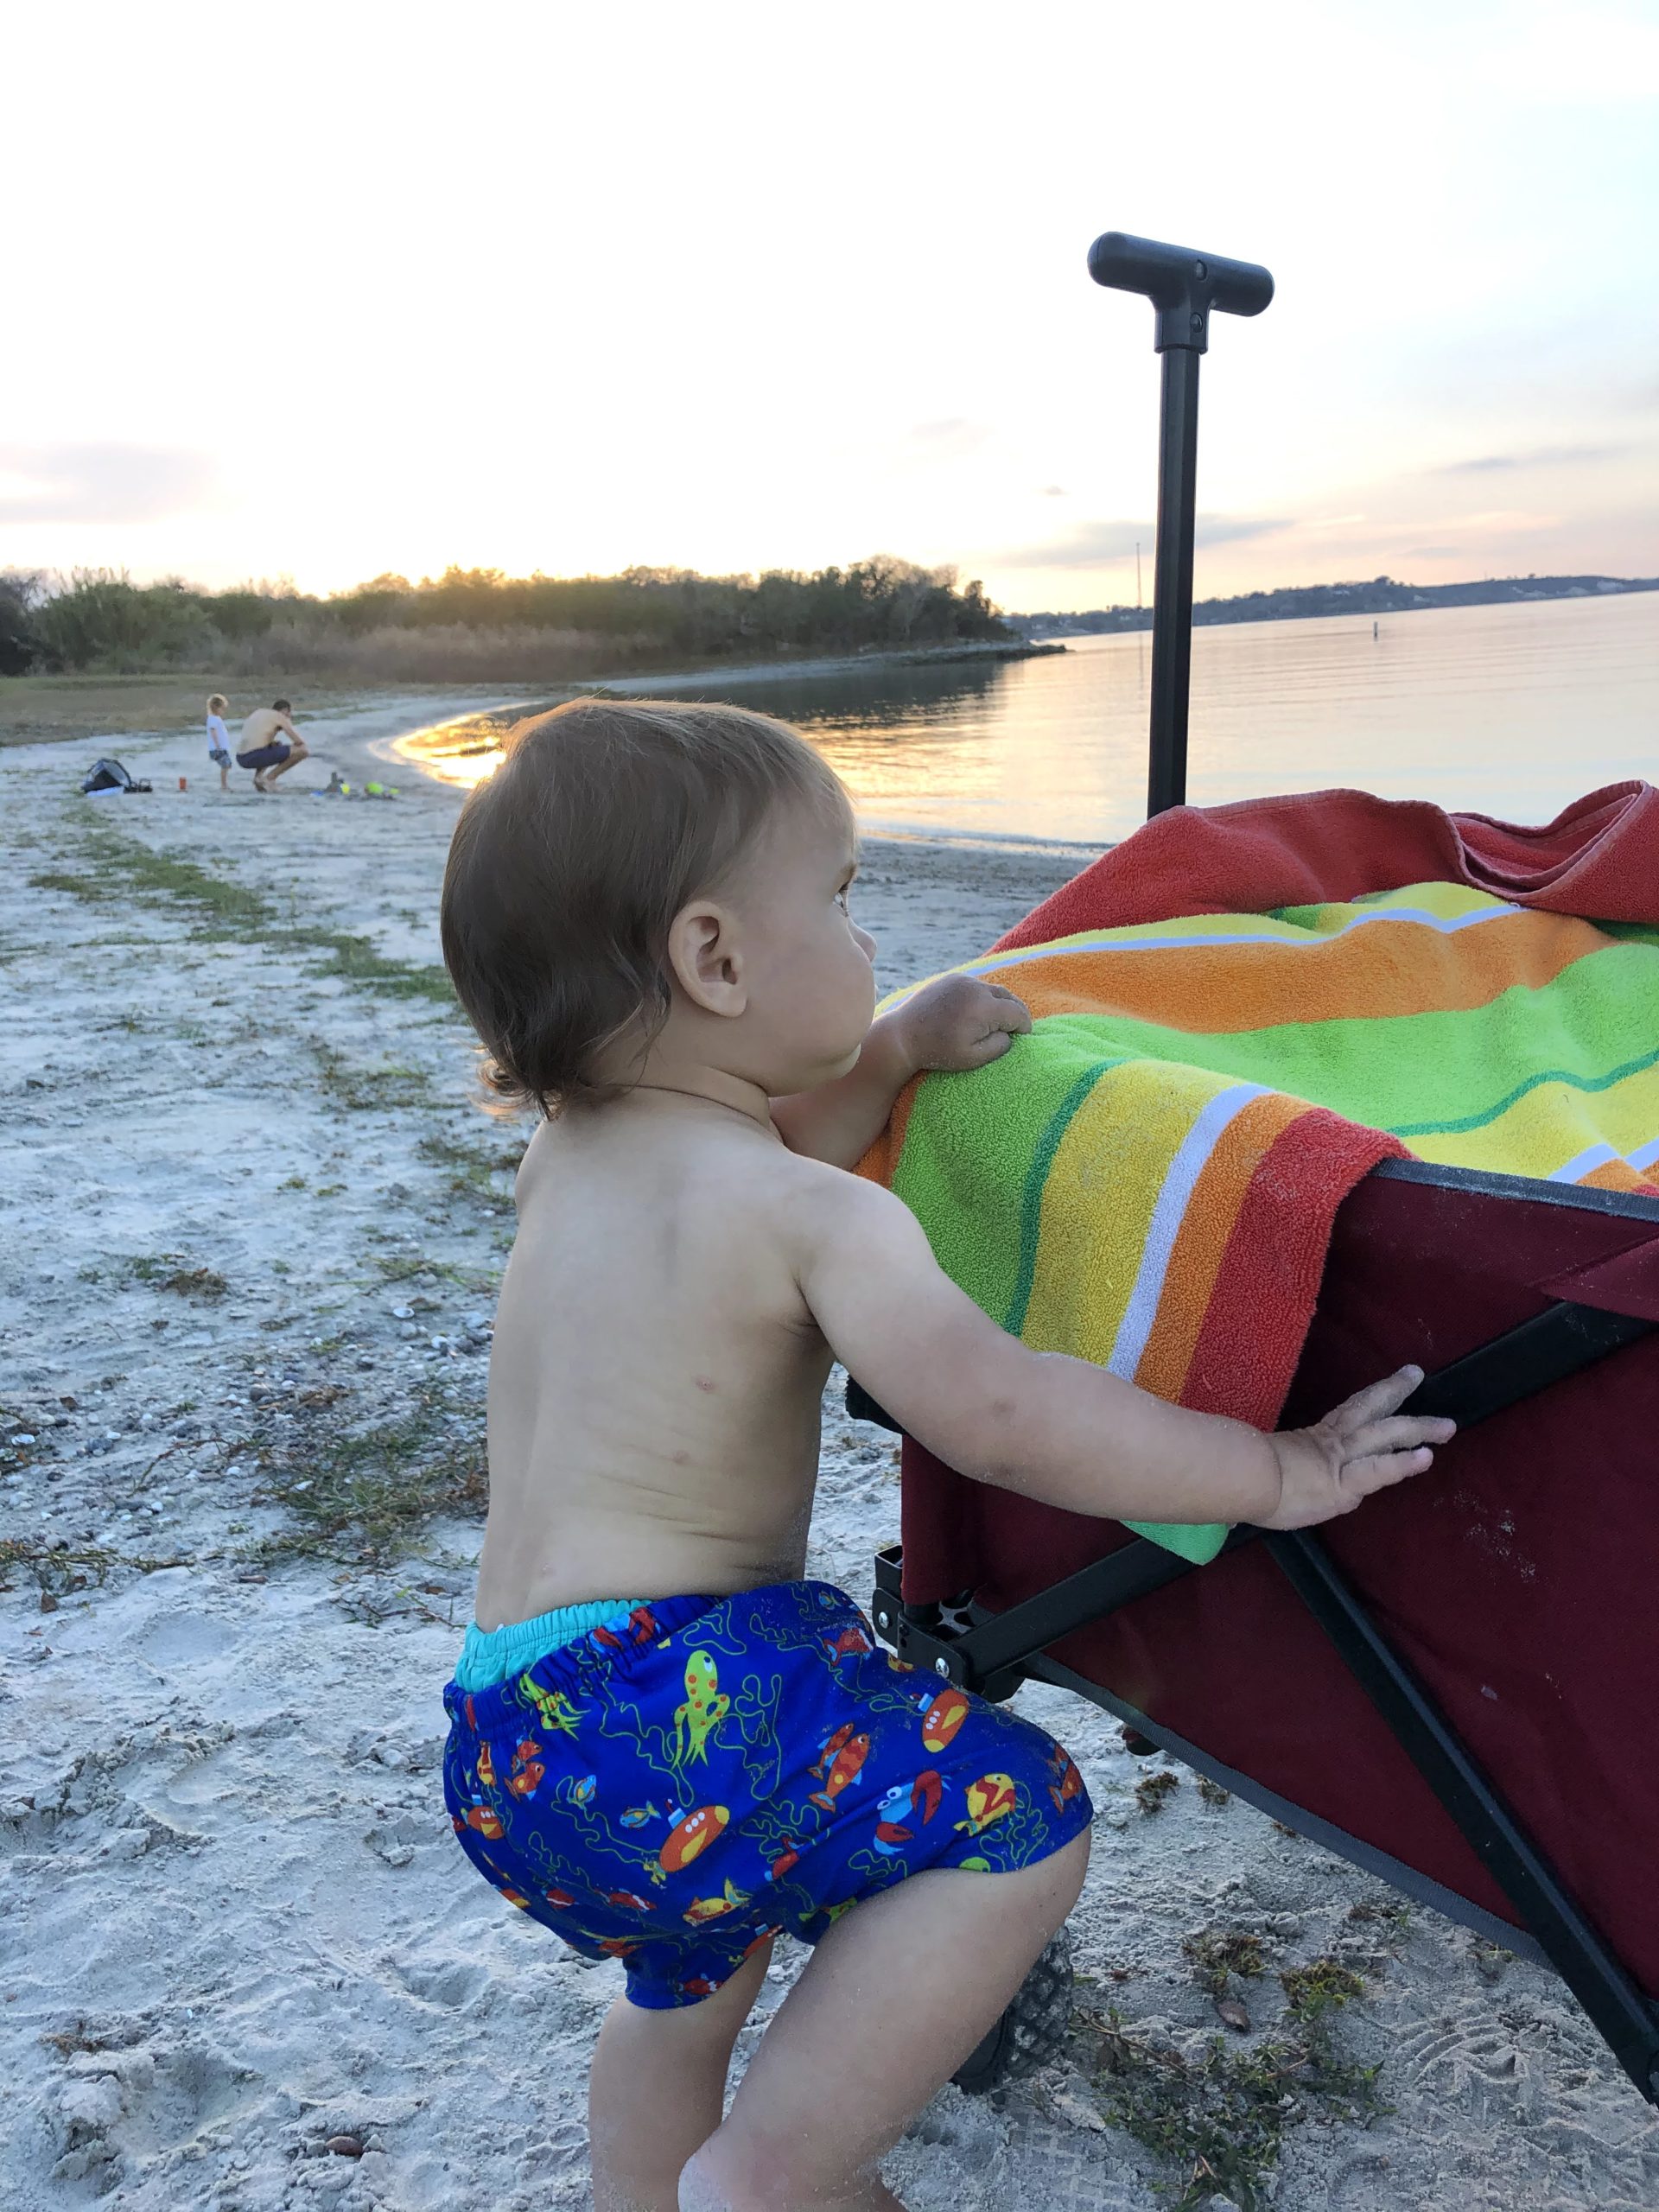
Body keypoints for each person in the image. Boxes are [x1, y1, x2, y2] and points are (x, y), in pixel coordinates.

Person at [435, 699, 1456, 2212]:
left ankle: (653, 2195)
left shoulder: (568, 1161)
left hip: (511, 1726)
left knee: (688, 1968)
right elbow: (1004, 1411)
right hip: (689, 1689)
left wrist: (894, 1039)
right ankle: (772, 2181)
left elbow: (758, 1134)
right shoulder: (815, 1219)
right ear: (715, 960)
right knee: (1018, 1822)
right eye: (842, 900)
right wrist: (1276, 1474)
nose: (865, 929)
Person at [235, 697, 308, 791]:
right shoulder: (279, 716)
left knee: (274, 745)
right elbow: (298, 741)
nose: (289, 717)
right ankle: (270, 779)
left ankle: (258, 778)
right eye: (289, 715)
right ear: (286, 711)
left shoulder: (259, 712)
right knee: (302, 751)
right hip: (255, 755)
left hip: (241, 758)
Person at [205, 693, 234, 792]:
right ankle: (224, 785)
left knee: (227, 765)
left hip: (221, 748)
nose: (223, 711)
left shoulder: (216, 718)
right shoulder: (213, 718)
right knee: (225, 765)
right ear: (216, 708)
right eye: (222, 708)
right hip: (217, 748)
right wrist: (217, 745)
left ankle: (224, 784)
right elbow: (213, 731)